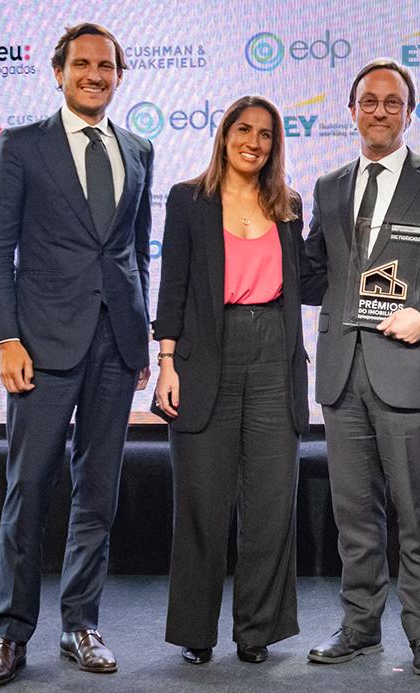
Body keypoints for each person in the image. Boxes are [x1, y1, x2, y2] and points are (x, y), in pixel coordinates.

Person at [0, 22, 154, 687]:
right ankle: (9, 633)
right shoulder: (23, 147)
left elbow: (136, 251)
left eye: (106, 65)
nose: (95, 74)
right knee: (28, 489)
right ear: (59, 72)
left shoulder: (138, 149)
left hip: (115, 344)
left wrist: (138, 335)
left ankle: (81, 622)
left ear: (118, 74)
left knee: (97, 492)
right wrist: (6, 338)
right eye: (82, 64)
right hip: (41, 344)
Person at [303, 58, 420, 677]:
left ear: (409, 111)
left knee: (417, 511)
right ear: (352, 111)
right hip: (342, 372)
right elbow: (313, 274)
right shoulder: (327, 186)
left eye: (392, 102)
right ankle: (359, 626)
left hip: (408, 365)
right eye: (369, 101)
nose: (379, 111)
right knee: (354, 512)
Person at [151, 95, 309, 667]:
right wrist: (167, 361)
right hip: (204, 358)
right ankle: (196, 629)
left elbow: (304, 281)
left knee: (270, 503)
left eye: (266, 134)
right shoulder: (189, 200)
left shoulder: (288, 204)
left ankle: (256, 631)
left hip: (274, 359)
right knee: (202, 501)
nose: (254, 142)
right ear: (224, 136)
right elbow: (173, 286)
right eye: (244, 130)